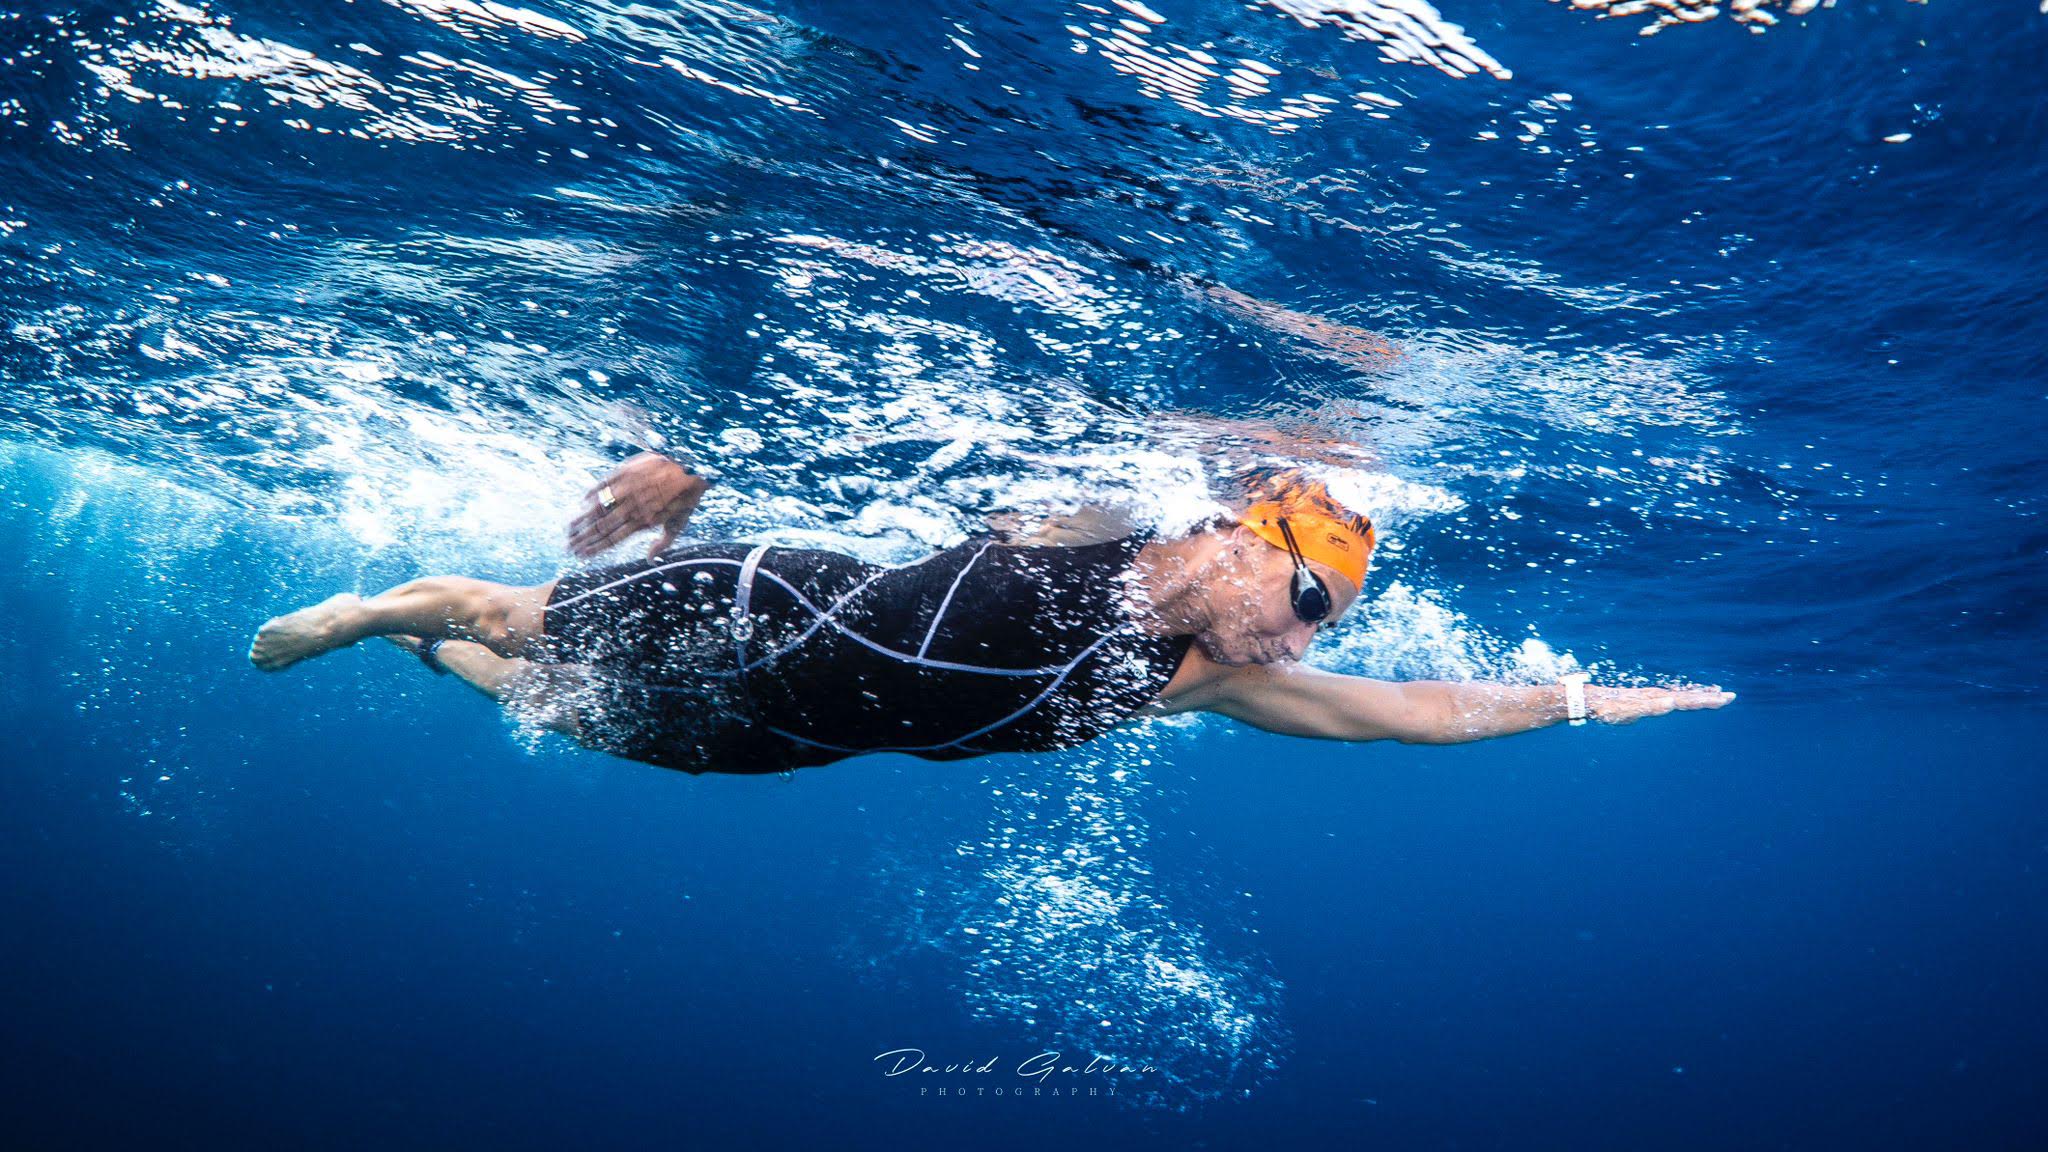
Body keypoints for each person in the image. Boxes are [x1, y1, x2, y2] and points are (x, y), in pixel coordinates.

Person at [248, 454, 1732, 775]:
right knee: (515, 620)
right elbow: (886, 461)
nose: (1302, 640)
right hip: (766, 600)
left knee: (547, 710)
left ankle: (413, 643)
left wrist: (1586, 701)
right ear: (1239, 535)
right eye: (1303, 597)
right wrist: (691, 471)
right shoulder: (1103, 520)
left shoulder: (1202, 679)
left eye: (1324, 625)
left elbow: (1415, 716)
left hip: (795, 736)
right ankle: (369, 614)